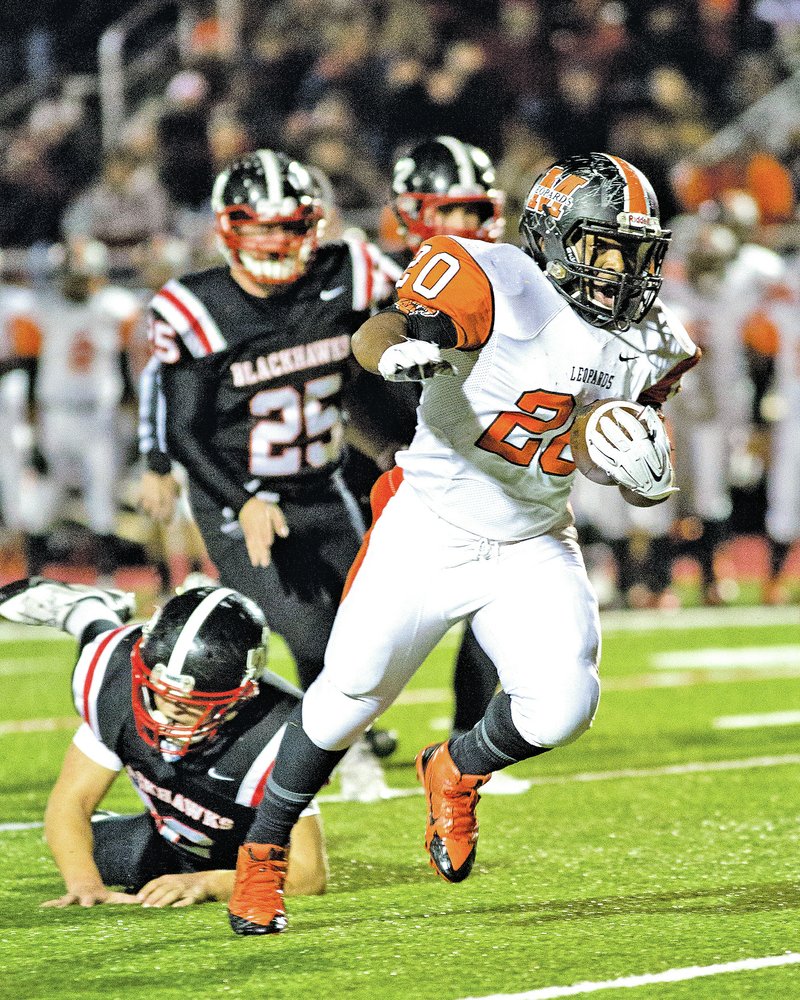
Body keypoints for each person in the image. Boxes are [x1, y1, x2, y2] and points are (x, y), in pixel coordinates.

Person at [225, 151, 701, 935]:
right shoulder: (494, 278)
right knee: (346, 699)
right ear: (554, 237)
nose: (623, 270)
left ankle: (456, 767)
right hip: (432, 523)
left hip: (533, 537)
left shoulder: (655, 338)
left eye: (636, 251)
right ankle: (263, 851)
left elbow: (573, 434)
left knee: (564, 706)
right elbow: (378, 331)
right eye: (605, 246)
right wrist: (399, 352)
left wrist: (628, 460)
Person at [138, 149, 402, 792]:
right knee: (309, 632)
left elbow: (412, 321)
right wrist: (240, 498)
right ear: (229, 229)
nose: (276, 241)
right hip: (239, 499)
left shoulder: (353, 271)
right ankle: (342, 754)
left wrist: (393, 438)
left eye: (288, 225)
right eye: (259, 226)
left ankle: (346, 726)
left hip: (324, 483)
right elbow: (185, 429)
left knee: (374, 623)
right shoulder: (198, 306)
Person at [0, 577, 327, 907]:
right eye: (158, 692)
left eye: (192, 702)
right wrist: (85, 884)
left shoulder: (280, 733)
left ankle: (86, 610)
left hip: (235, 851)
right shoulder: (116, 681)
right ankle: (87, 610)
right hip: (169, 839)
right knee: (82, 849)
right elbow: (73, 800)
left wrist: (211, 883)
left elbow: (308, 873)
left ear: (240, 696)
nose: (168, 712)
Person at [379, 135, 529, 786]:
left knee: (497, 608)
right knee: (378, 630)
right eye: (446, 211)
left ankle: (468, 756)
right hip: (392, 465)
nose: (461, 226)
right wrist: (384, 449)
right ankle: (346, 744)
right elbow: (360, 376)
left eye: (471, 210)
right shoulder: (377, 279)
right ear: (413, 212)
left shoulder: (510, 278)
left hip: (480, 466)